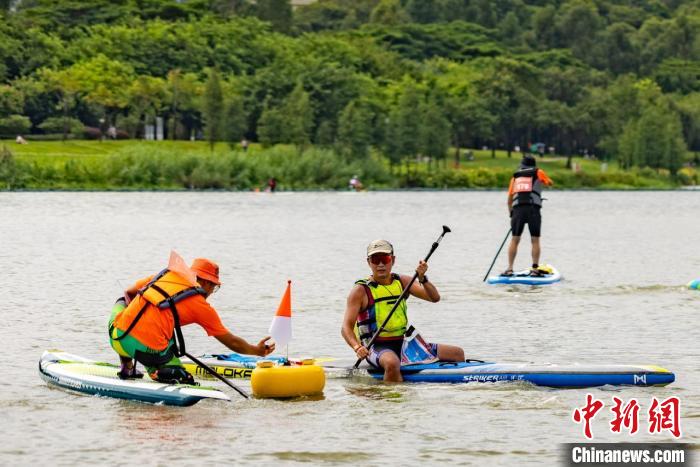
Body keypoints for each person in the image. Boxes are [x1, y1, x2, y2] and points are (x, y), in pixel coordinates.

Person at [108, 258, 275, 383]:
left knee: (121, 303)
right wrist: (257, 351)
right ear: (202, 281)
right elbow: (232, 342)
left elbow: (129, 293)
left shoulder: (165, 276)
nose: (211, 291)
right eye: (213, 286)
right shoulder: (200, 305)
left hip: (116, 336)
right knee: (184, 377)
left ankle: (127, 367)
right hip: (146, 352)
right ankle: (158, 372)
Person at [341, 240, 465, 382]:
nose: (381, 264)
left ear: (393, 260)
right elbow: (345, 328)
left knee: (457, 354)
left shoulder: (403, 281)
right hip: (375, 347)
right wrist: (357, 347)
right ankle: (392, 399)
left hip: (405, 343)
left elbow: (434, 298)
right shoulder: (360, 291)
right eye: (376, 259)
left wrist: (422, 278)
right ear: (369, 262)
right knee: (392, 364)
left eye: (385, 259)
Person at [502, 154, 553, 277]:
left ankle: (509, 269)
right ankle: (535, 270)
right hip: (532, 209)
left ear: (522, 165)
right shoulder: (538, 172)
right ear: (533, 165)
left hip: (517, 210)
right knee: (535, 239)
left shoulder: (515, 176)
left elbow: (509, 199)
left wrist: (511, 214)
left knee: (515, 239)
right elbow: (550, 183)